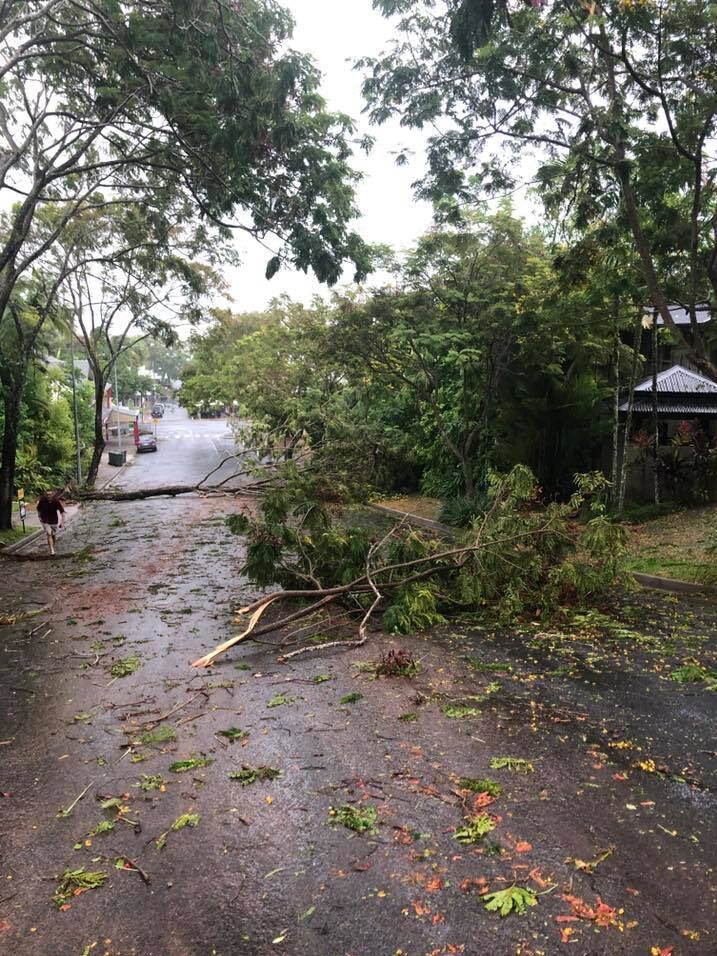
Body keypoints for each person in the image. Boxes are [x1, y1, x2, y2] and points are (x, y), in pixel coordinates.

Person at [37, 490, 65, 556]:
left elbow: (62, 512)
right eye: (47, 494)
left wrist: (62, 522)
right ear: (46, 495)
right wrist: (39, 517)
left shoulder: (56, 501)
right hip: (45, 520)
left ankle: (52, 546)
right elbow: (38, 509)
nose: (48, 496)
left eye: (50, 494)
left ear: (53, 495)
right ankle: (52, 550)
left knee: (53, 535)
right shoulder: (42, 500)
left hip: (54, 520)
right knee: (49, 533)